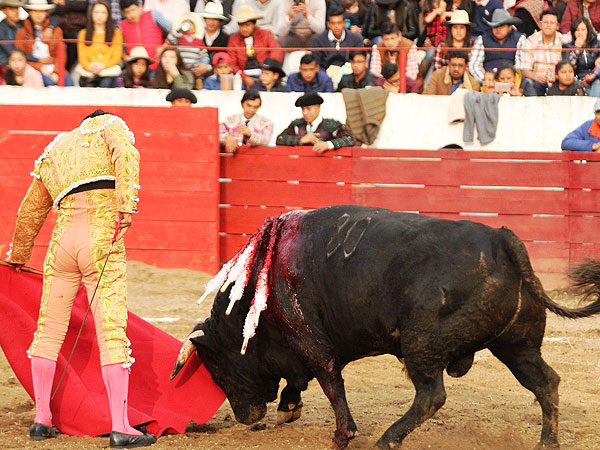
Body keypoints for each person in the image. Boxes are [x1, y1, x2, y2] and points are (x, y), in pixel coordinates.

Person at [4, 110, 156, 449]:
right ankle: (121, 426)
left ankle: (41, 420)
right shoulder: (110, 127)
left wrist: (18, 255)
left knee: (48, 330)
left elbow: (30, 209)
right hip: (100, 236)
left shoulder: (56, 147)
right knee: (111, 329)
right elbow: (126, 153)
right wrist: (126, 204)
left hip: (62, 244)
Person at [15, 0, 73, 86]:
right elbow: (21, 55)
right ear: (30, 12)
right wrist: (40, 66)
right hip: (33, 68)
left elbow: (61, 54)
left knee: (69, 83)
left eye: (41, 11)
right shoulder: (22, 31)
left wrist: (56, 71)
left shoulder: (56, 30)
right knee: (49, 83)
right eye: (35, 11)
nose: (38, 14)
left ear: (46, 13)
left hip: (53, 66)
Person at [276, 92, 356, 152]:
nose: (305, 113)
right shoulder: (297, 125)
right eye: (303, 109)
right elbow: (280, 139)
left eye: (309, 109)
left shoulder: (332, 125)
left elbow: (350, 139)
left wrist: (329, 144)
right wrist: (300, 140)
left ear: (319, 107)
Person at [227, 4, 283, 88]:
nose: (244, 29)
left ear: (254, 24)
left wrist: (266, 72)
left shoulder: (266, 35)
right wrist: (244, 77)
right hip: (242, 76)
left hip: (265, 73)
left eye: (247, 25)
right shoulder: (233, 39)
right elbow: (232, 63)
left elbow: (277, 53)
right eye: (241, 25)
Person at [468, 9, 526, 84]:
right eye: (495, 26)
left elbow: (521, 64)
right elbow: (474, 64)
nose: (498, 29)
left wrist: (511, 79)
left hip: (513, 81)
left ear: (509, 27)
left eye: (502, 26)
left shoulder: (519, 39)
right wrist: (486, 79)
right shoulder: (482, 39)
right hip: (487, 82)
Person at [76, 0, 123, 87]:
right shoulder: (83, 34)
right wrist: (90, 67)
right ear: (91, 14)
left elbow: (116, 57)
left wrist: (103, 66)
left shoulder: (116, 33)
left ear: (108, 15)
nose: (99, 15)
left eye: (103, 12)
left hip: (108, 72)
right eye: (96, 12)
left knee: (106, 83)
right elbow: (82, 58)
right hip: (89, 73)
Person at [520, 9, 563, 96]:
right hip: (537, 82)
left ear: (557, 26)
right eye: (545, 22)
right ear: (540, 24)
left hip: (558, 82)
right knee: (527, 83)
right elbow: (525, 69)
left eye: (552, 23)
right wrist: (536, 77)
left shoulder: (563, 41)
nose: (548, 25)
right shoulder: (530, 41)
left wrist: (558, 76)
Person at [119, 0, 171, 69]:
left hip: (157, 64)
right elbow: (118, 47)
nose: (131, 14)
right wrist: (125, 57)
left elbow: (173, 30)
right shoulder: (121, 25)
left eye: (133, 10)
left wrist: (164, 46)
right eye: (127, 12)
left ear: (140, 7)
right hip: (135, 68)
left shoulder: (153, 15)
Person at [166, 12, 210, 88]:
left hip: (194, 67)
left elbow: (204, 55)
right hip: (181, 66)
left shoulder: (199, 41)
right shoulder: (179, 40)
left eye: (190, 24)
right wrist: (179, 30)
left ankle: (199, 83)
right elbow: (170, 38)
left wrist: (202, 64)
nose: (188, 26)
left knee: (202, 65)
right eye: (185, 24)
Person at [563, 17, 600, 96]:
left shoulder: (597, 44)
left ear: (588, 31)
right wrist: (576, 49)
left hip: (595, 76)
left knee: (597, 83)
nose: (580, 33)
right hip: (578, 78)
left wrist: (592, 76)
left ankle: (594, 104)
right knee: (575, 84)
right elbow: (568, 67)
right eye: (577, 30)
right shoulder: (567, 46)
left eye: (583, 30)